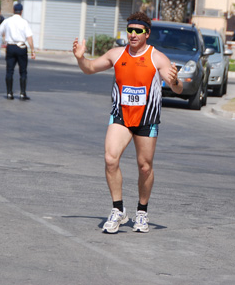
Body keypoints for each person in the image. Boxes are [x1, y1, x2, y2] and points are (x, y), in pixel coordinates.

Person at [72, 12, 182, 234]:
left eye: (138, 31)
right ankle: (118, 210)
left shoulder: (157, 58)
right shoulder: (116, 54)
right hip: (121, 115)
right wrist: (80, 58)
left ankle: (142, 211)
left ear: (147, 34)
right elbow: (90, 68)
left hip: (146, 118)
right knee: (110, 158)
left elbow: (177, 88)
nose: (132, 34)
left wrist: (176, 80)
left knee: (145, 166)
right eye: (129, 30)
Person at [0, 3, 35, 100]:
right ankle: (23, 93)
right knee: (23, 71)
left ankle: (9, 93)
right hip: (21, 47)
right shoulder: (24, 22)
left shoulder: (7, 21)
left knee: (9, 71)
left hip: (10, 47)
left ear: (13, 10)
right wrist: (32, 50)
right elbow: (29, 37)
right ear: (21, 12)